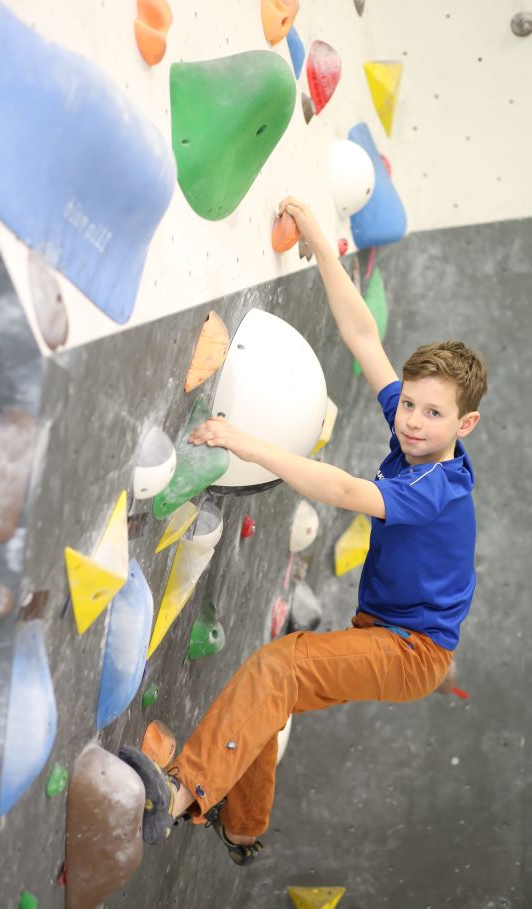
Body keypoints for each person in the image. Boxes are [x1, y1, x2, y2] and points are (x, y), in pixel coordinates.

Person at [119, 197, 488, 866]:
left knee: (278, 666)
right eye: (408, 403)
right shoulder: (414, 443)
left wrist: (248, 443)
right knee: (277, 680)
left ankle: (177, 795)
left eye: (434, 413)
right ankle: (242, 824)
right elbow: (362, 336)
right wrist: (319, 236)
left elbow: (346, 490)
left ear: (464, 426)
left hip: (412, 650)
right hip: (384, 629)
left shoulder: (437, 486)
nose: (411, 420)